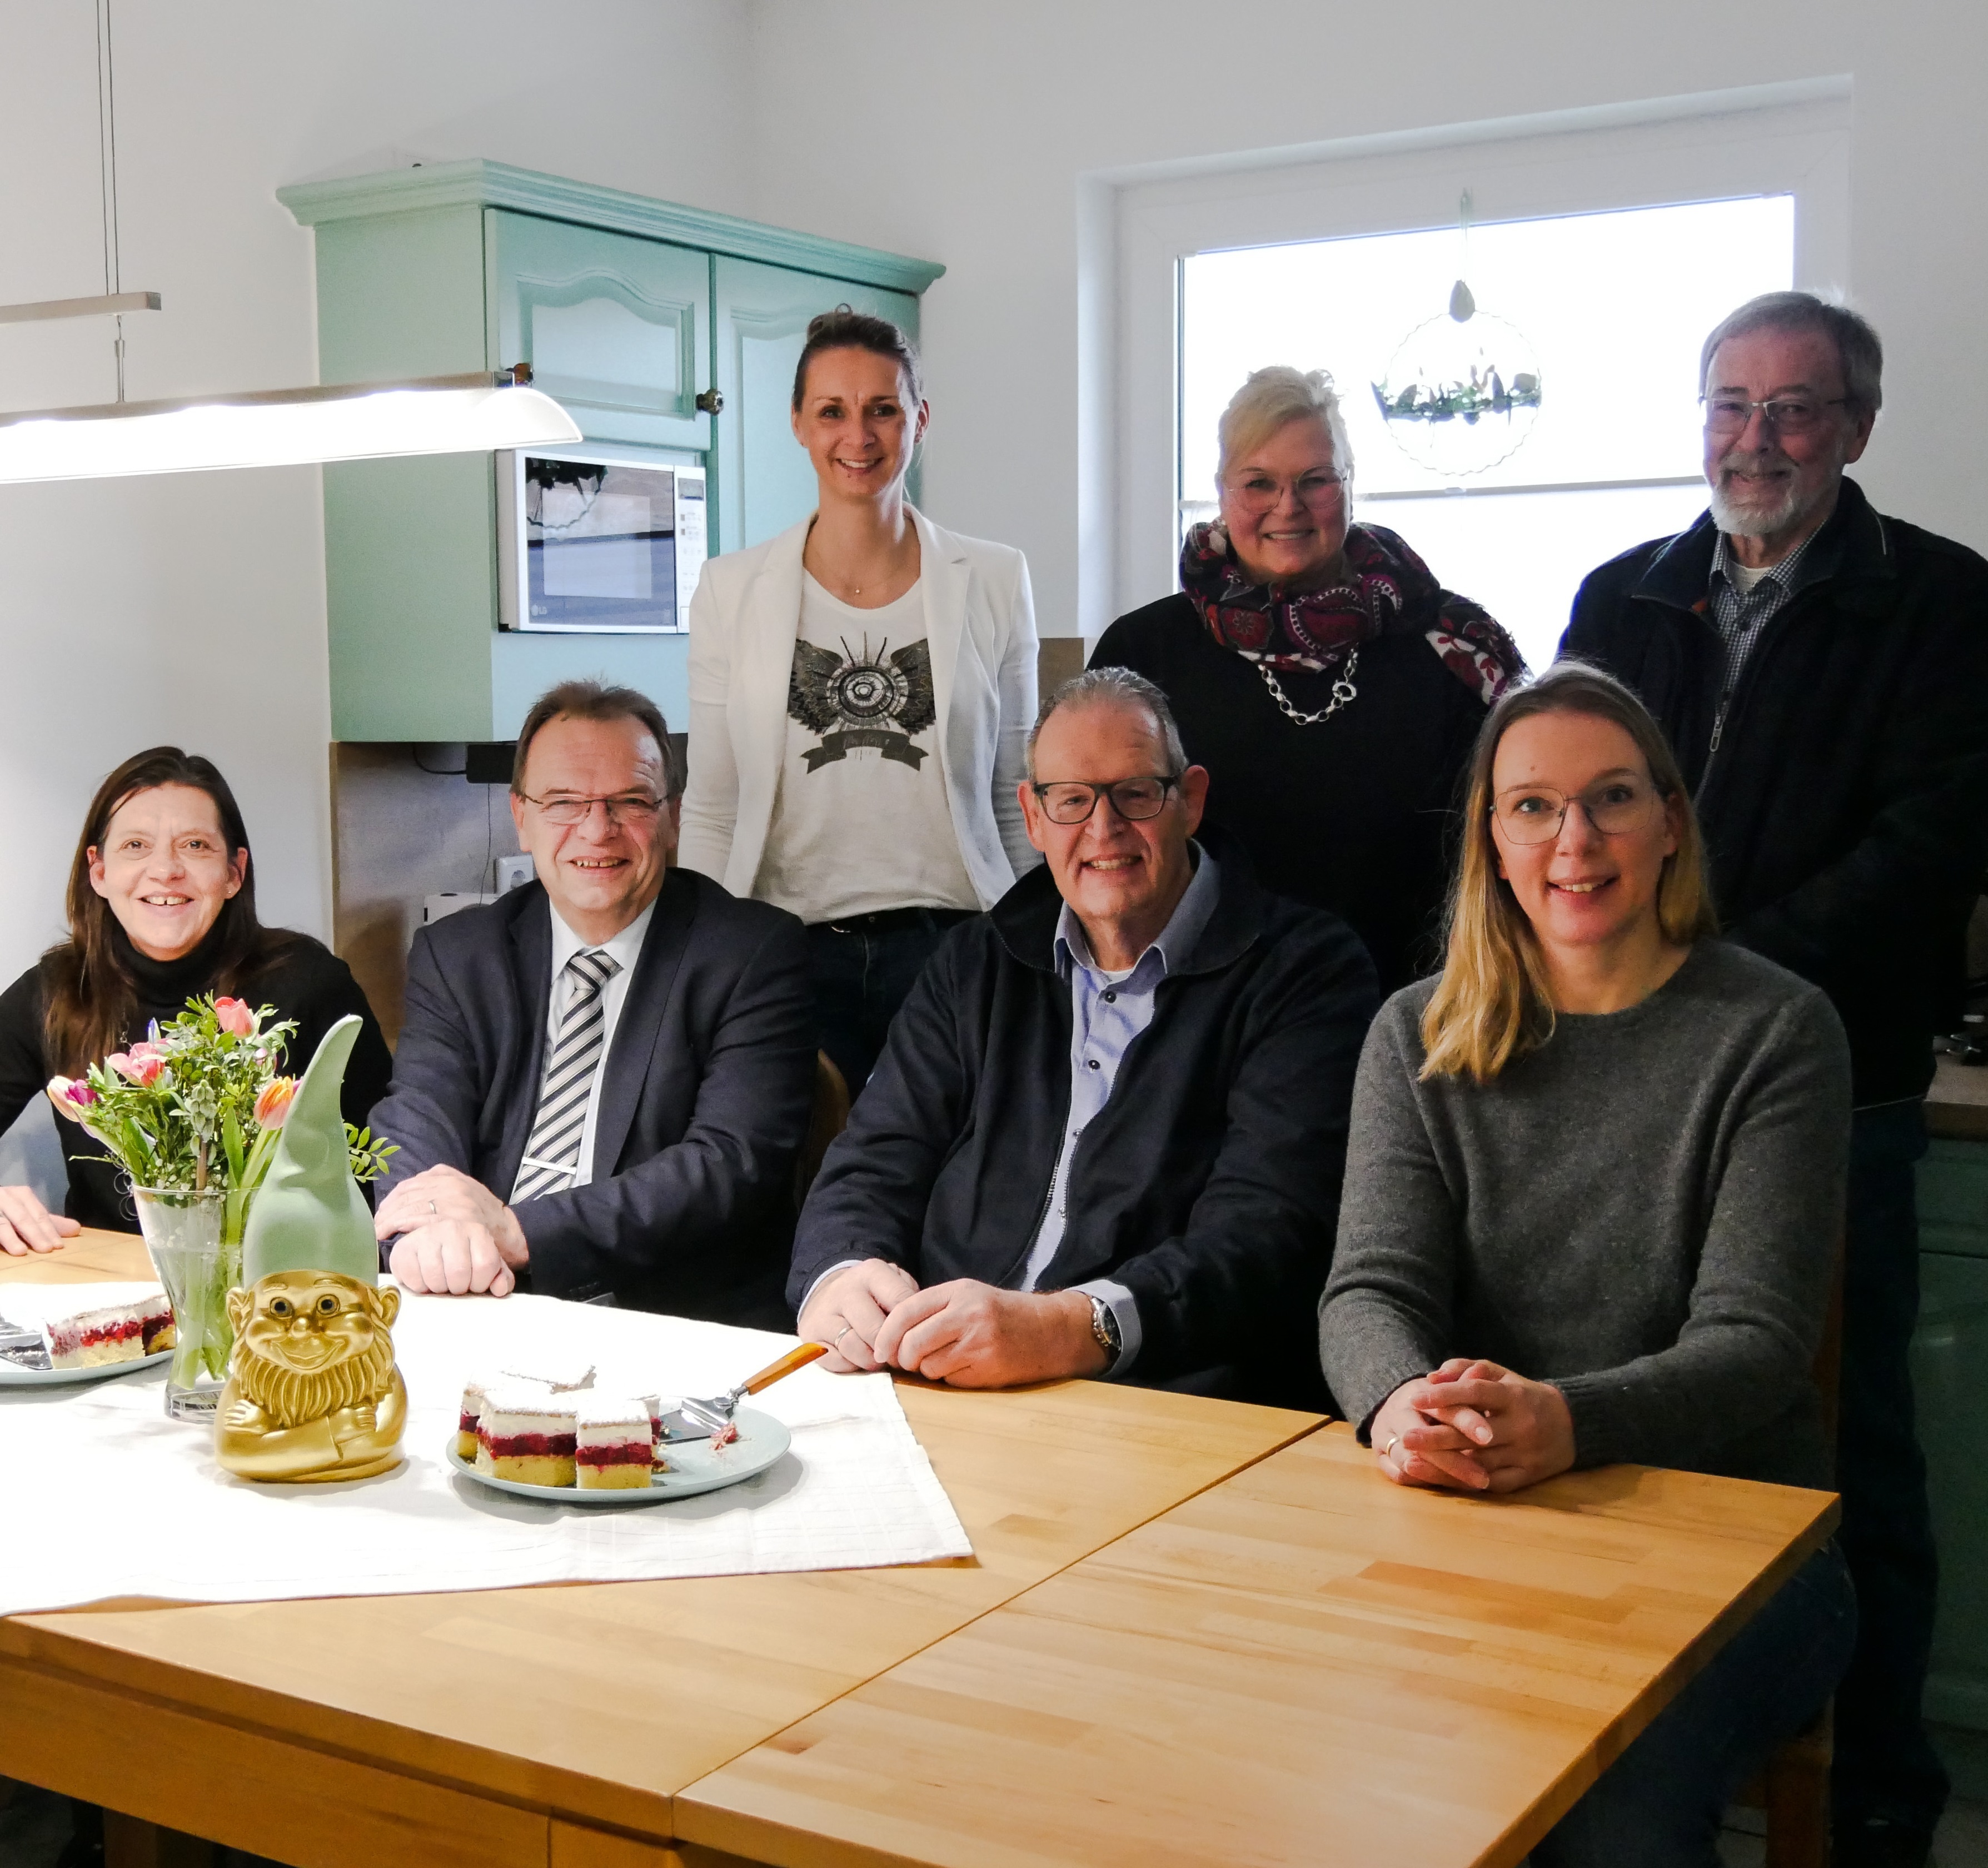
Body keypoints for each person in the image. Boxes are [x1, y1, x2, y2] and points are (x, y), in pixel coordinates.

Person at [1561, 291, 1988, 1867]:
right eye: (1730, 405)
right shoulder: (1624, 594)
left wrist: (1713, 972)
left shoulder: (1945, 604)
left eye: (1795, 408)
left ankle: (1876, 1788)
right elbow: (1562, 807)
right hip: (1626, 1082)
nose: (1758, 439)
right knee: (1637, 1411)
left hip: (1836, 1087)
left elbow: (1927, 850)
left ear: (1856, 427)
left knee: (1843, 1441)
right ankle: (1635, 1735)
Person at [1319, 662, 1857, 1868]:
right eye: (1532, 806)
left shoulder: (1775, 1033)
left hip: (1736, 1539)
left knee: (1605, 1820)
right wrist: (1400, 1405)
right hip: (1472, 1521)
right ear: (1491, 841)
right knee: (1323, 1762)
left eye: (1611, 797)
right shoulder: (1415, 1032)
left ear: (1669, 821)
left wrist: (1566, 1421)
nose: (1574, 840)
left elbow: (1755, 1345)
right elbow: (1370, 1290)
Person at [790, 666, 1376, 1407]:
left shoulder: (1307, 972)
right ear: (1033, 817)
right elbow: (874, 1158)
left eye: (1135, 793)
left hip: (1162, 1398)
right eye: (1071, 800)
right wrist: (843, 1274)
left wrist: (1066, 1328)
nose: (1103, 830)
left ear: (1190, 800)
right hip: (935, 1377)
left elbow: (1270, 1236)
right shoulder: (975, 962)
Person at [369, 680, 815, 1327]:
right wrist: (430, 1231)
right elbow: (417, 1114)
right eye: (563, 802)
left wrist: (520, 1231)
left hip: (665, 1314)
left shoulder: (753, 953)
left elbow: (729, 1163)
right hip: (480, 1295)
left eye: (630, 801)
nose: (597, 830)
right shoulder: (459, 953)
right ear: (521, 817)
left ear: (672, 816)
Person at [679, 307, 1039, 1092]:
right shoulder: (730, 590)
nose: (859, 436)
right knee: (800, 1162)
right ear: (798, 424)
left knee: (953, 1162)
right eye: (832, 412)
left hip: (956, 946)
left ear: (920, 419)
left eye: (883, 409)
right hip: (784, 952)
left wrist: (1035, 951)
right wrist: (693, 968)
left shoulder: (995, 580)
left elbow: (1017, 802)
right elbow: (710, 810)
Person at [1089, 366, 1524, 993]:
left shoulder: (1450, 644)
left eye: (1314, 480)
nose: (1287, 506)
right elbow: (1095, 842)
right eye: (1258, 483)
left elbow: (1510, 836)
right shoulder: (1142, 652)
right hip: (1204, 1007)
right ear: (1222, 492)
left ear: (1349, 484)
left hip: (1421, 1002)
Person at [0, 747, 391, 1251]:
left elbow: (387, 1162)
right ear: (99, 872)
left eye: (195, 845)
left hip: (276, 1278)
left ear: (233, 873)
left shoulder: (309, 982)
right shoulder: (56, 991)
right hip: (107, 1279)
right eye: (136, 845)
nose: (166, 870)